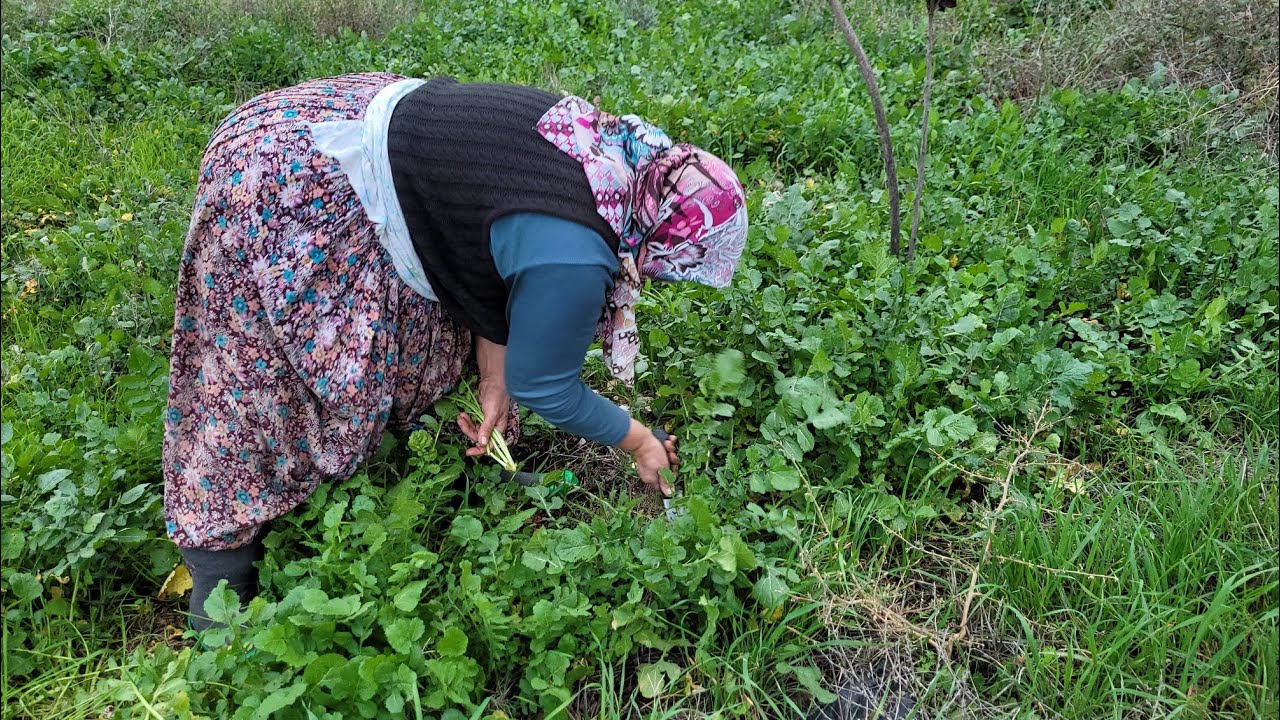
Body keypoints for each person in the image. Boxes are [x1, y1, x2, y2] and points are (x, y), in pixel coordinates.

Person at [162, 73, 749, 632]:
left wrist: (493, 380)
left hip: (328, 120)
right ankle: (220, 587)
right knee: (257, 382)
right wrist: (639, 440)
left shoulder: (614, 162)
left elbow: (487, 238)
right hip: (292, 180)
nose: (670, 278)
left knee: (422, 331)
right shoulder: (573, 255)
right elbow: (546, 386)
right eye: (681, 266)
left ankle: (427, 463)